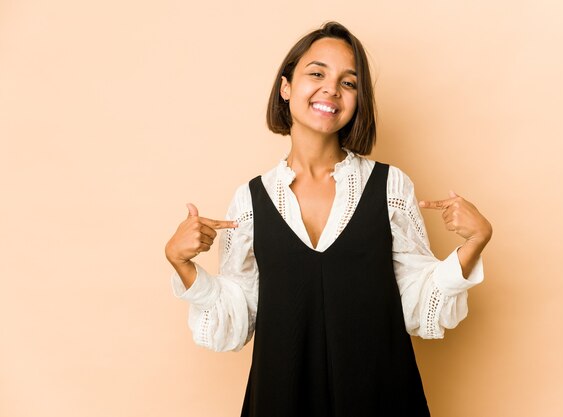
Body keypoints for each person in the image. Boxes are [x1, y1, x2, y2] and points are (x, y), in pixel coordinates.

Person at [165, 21, 492, 417]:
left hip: (381, 399)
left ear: (358, 99)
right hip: (280, 399)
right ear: (286, 87)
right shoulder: (250, 200)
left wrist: (473, 245)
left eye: (349, 82)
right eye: (316, 73)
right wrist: (183, 265)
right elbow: (237, 319)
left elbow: (418, 306)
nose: (332, 89)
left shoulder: (391, 187)